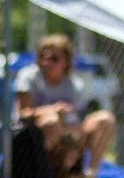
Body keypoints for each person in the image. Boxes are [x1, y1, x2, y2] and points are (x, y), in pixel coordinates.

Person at [15, 33, 116, 178]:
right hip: (34, 134)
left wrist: (72, 136)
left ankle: (89, 173)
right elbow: (23, 113)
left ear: (66, 62)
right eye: (44, 57)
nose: (47, 62)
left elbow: (79, 120)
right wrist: (52, 110)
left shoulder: (75, 84)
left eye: (54, 58)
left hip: (68, 134)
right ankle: (50, 172)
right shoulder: (29, 76)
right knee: (52, 121)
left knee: (105, 119)